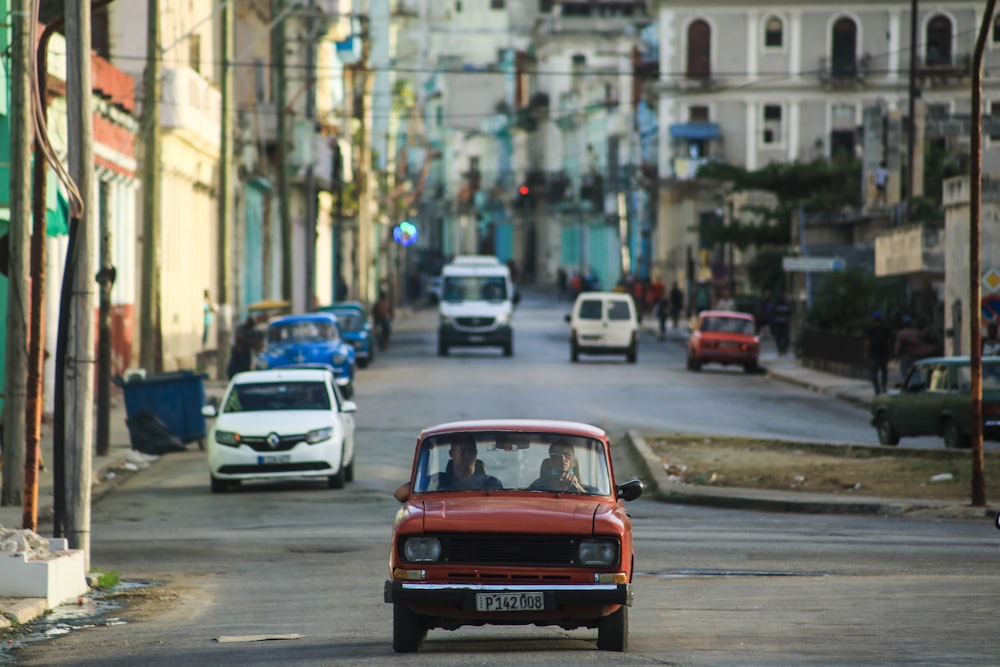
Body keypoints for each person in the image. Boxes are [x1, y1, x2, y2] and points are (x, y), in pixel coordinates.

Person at [429, 434, 502, 491]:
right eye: (462, 451)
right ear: (451, 454)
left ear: (475, 454)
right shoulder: (436, 483)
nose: (467, 455)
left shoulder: (493, 486)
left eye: (471, 450)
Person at [895, 316, 934, 380]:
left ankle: (906, 386)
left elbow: (898, 347)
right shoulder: (915, 333)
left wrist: (896, 356)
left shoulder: (900, 333)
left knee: (904, 372)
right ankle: (916, 386)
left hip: (905, 356)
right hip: (914, 357)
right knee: (915, 372)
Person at [227, 313, 264, 379]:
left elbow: (257, 342)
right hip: (237, 353)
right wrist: (250, 341)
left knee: (245, 371)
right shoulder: (241, 327)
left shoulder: (253, 331)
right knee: (233, 370)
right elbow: (238, 337)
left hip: (246, 354)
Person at [864, 310, 892, 395]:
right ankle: (883, 386)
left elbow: (867, 342)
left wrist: (866, 352)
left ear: (873, 320)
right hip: (883, 352)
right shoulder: (885, 329)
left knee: (874, 373)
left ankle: (877, 390)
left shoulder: (870, 329)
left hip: (874, 353)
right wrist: (889, 353)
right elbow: (888, 342)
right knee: (884, 371)